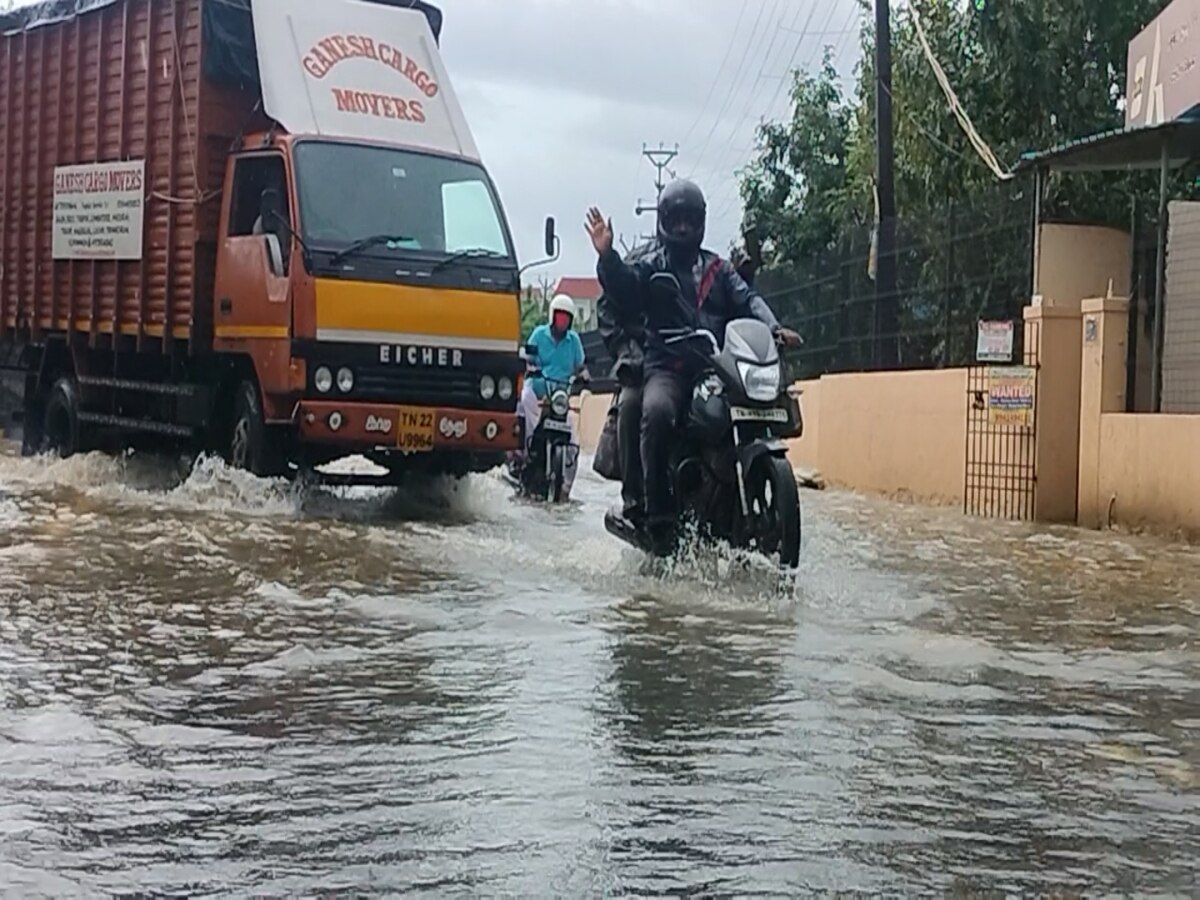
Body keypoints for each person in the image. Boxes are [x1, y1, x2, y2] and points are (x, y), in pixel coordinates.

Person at [585, 179, 801, 552]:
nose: (683, 227)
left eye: (690, 219)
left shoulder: (719, 270)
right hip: (667, 367)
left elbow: (749, 299)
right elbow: (623, 287)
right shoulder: (651, 265)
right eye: (676, 219)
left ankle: (733, 497)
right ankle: (658, 516)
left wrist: (774, 327)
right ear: (665, 221)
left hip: (713, 366)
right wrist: (607, 256)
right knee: (654, 411)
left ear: (700, 222)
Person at [596, 239, 655, 524]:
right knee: (631, 405)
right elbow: (610, 320)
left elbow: (731, 300)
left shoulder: (701, 266)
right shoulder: (636, 267)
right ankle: (634, 500)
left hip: (684, 360)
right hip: (639, 366)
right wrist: (628, 355)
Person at [515, 293, 589, 497]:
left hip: (560, 396)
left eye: (567, 318)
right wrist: (531, 367)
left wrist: (584, 375)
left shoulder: (574, 341)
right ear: (552, 317)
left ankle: (566, 488)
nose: (563, 321)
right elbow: (527, 358)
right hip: (538, 390)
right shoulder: (538, 335)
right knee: (525, 400)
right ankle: (528, 451)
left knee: (573, 440)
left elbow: (581, 366)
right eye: (560, 317)